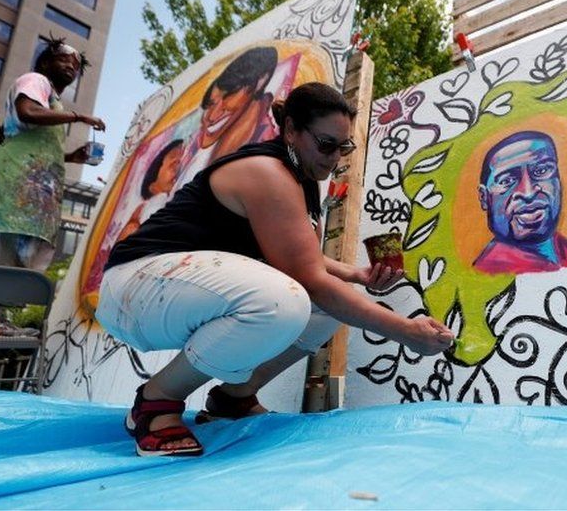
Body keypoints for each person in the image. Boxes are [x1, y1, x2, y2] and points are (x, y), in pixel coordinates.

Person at [96, 82, 454, 457]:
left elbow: (300, 256)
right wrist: (406, 331)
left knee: (324, 310)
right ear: (291, 131)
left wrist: (356, 275)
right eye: (326, 144)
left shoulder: (303, 178)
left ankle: (234, 398)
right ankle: (156, 401)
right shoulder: (269, 172)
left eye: (343, 147)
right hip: (134, 285)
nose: (333, 158)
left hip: (173, 289)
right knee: (286, 301)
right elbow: (309, 279)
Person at [0, 38, 106, 329]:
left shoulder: (53, 100)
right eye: (64, 59)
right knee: (6, 241)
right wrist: (79, 117)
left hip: (34, 185)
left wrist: (72, 156)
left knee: (19, 249)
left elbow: (36, 142)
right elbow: (27, 111)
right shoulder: (35, 80)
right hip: (18, 179)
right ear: (45, 62)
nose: (71, 67)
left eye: (76, 65)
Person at [473, 131, 567, 274]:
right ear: (484, 198)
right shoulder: (490, 274)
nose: (528, 193)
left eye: (542, 170)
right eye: (506, 181)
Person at [173, 47, 277, 190]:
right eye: (211, 104)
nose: (212, 116)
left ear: (260, 84)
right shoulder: (192, 147)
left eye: (228, 98)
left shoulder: (264, 143)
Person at [117, 139, 184, 242]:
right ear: (152, 186)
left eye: (179, 162)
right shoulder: (151, 208)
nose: (176, 169)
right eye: (172, 164)